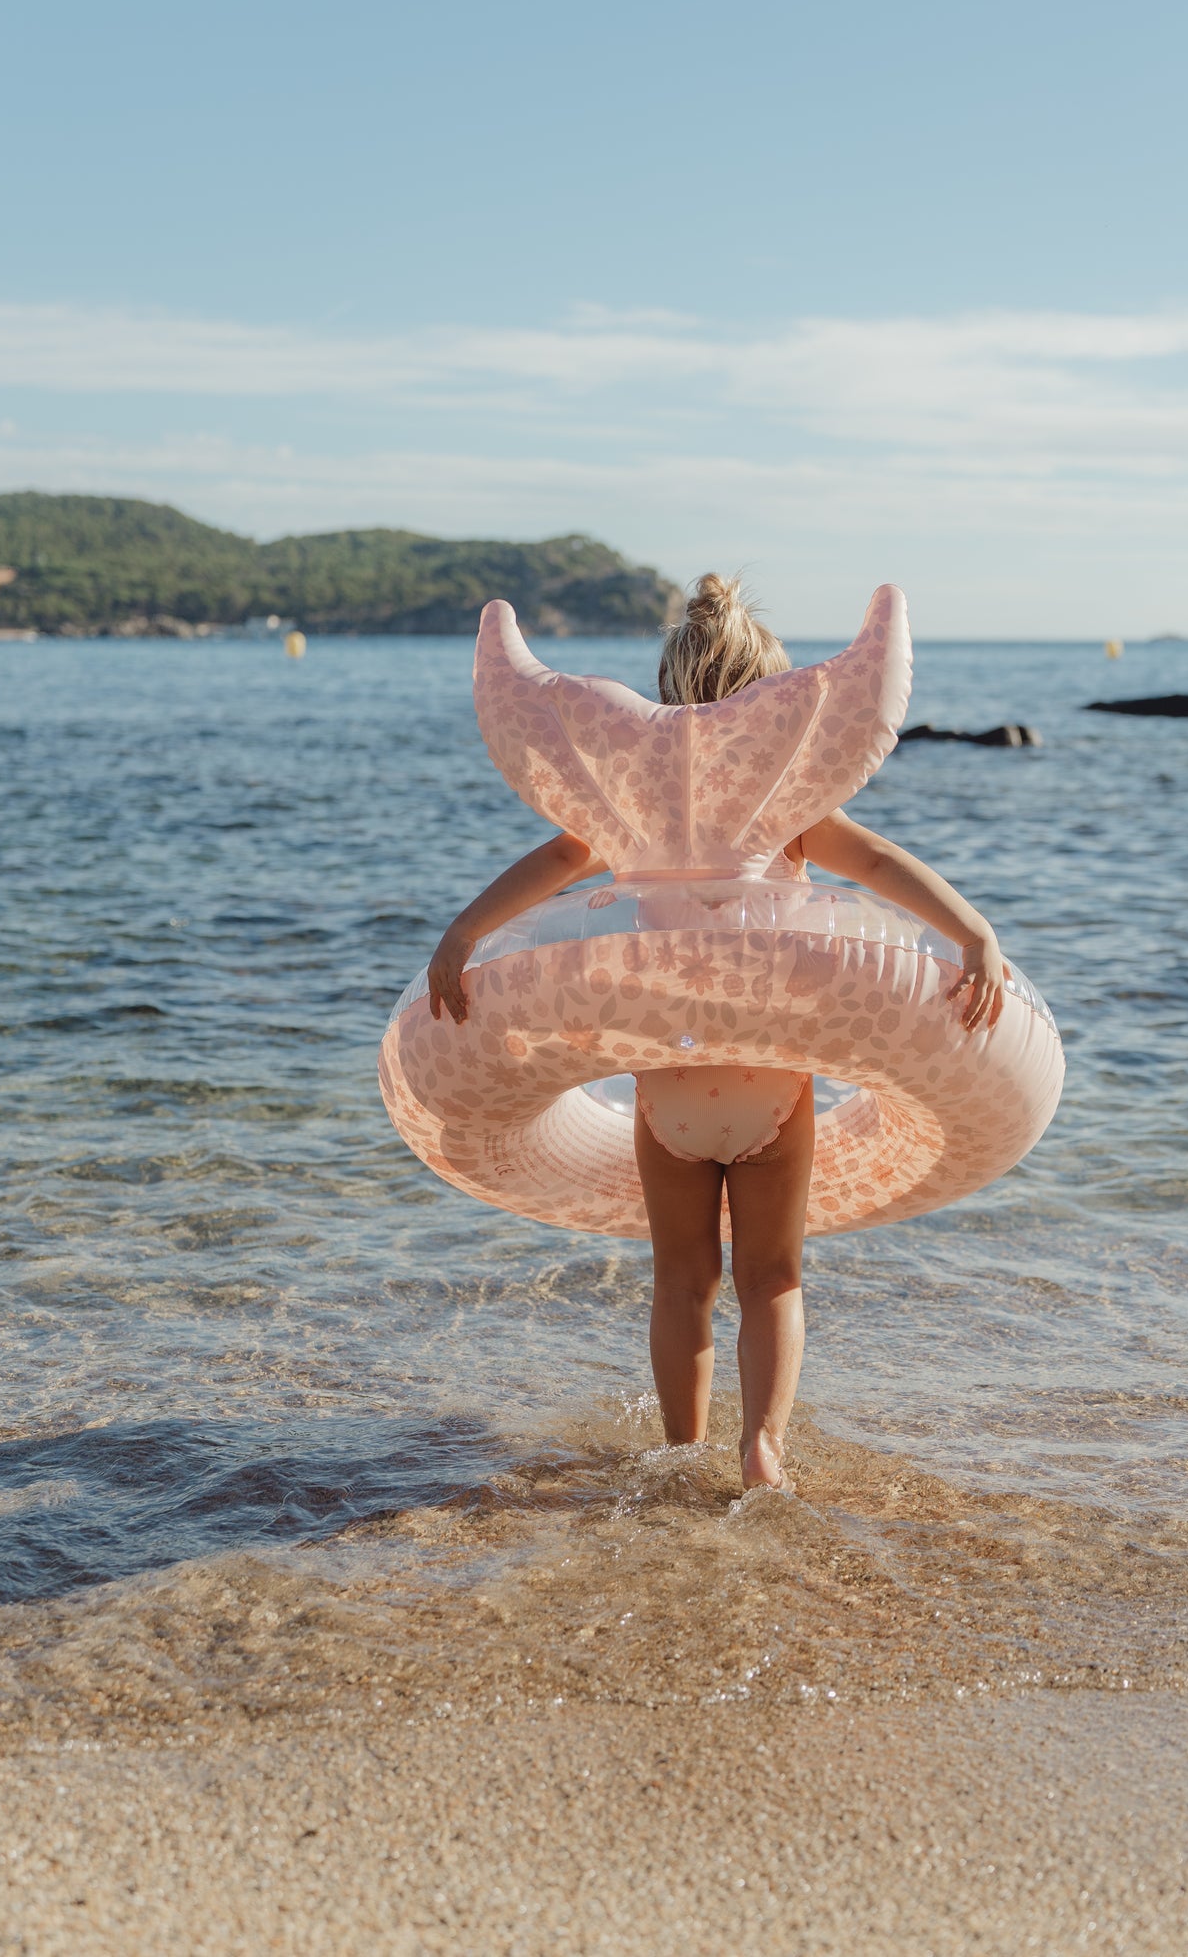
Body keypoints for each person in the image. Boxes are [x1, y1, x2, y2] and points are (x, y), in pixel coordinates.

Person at [426, 576, 1006, 1491]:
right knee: (772, 1278)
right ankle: (761, 1449)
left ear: (666, 696)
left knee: (682, 1282)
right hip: (769, 1089)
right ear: (776, 715)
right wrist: (970, 931)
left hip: (670, 1095)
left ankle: (680, 1450)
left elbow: (558, 858)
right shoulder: (788, 802)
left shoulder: (628, 808)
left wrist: (463, 933)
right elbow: (882, 862)